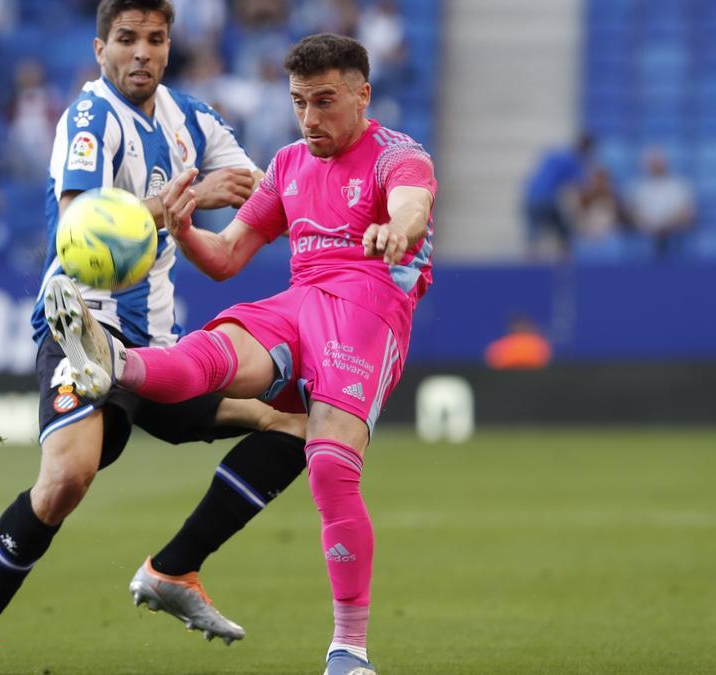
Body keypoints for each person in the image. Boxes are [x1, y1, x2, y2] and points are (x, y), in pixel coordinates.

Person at [45, 33, 436, 675]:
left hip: (366, 310)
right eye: (299, 103)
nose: (309, 119)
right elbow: (226, 258)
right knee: (217, 356)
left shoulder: (399, 155)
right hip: (302, 299)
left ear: (363, 95)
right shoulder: (286, 165)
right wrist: (183, 230)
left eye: (325, 102)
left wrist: (397, 229)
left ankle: (349, 649)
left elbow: (412, 205)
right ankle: (112, 364)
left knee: (332, 467)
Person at [0, 2, 309, 673]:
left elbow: (263, 190)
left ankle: (175, 569)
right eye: (128, 38)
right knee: (66, 480)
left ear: (170, 46)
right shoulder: (89, 118)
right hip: (83, 326)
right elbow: (80, 224)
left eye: (157, 38)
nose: (143, 52)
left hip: (159, 351)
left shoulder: (190, 116)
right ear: (100, 48)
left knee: (296, 422)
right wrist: (187, 202)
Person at [523, 133, 594, 260]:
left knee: (533, 234)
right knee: (564, 233)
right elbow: (580, 191)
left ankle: (529, 266)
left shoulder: (557, 153)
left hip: (530, 196)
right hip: (546, 199)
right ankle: (564, 269)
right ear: (587, 149)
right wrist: (583, 221)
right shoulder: (575, 160)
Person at [628, 147, 695, 260]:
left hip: (673, 231)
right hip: (646, 231)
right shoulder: (637, 188)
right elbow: (632, 213)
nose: (656, 165)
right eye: (653, 162)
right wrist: (650, 225)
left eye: (659, 162)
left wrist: (667, 225)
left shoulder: (679, 186)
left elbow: (687, 213)